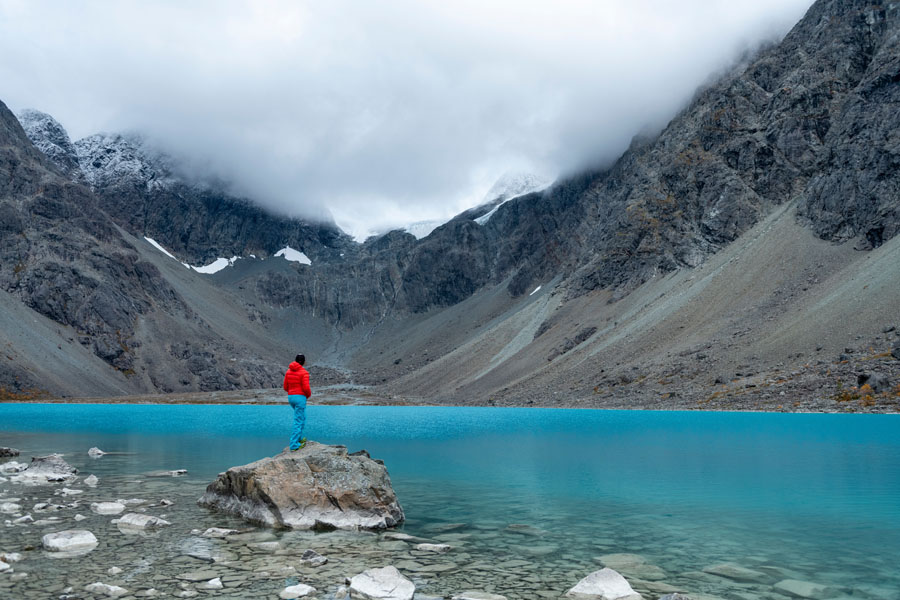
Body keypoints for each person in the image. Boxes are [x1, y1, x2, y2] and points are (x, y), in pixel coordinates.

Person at [282, 354, 312, 451]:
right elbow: (306, 388)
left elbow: (285, 387)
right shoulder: (304, 373)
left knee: (301, 417)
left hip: (291, 397)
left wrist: (292, 393)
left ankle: (298, 439)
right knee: (298, 420)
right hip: (300, 398)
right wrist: (307, 395)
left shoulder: (288, 371)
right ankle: (294, 445)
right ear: (303, 362)